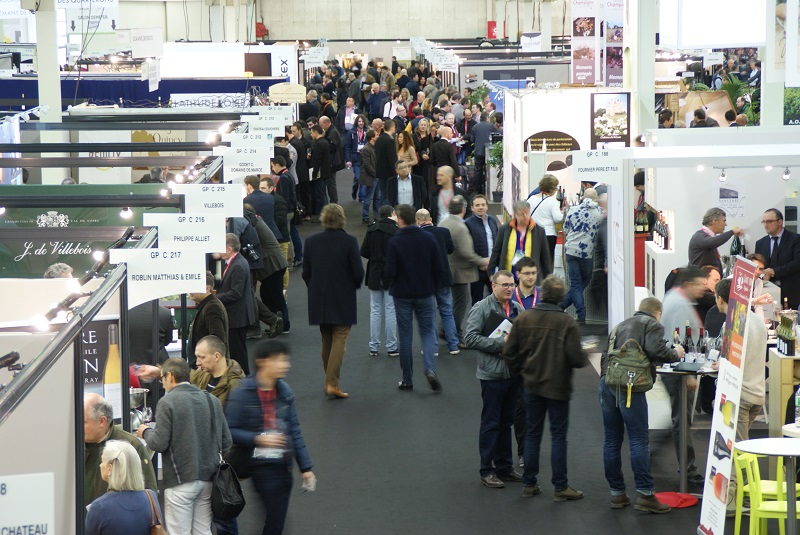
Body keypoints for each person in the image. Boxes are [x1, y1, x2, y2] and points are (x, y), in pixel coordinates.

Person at [503, 275, 588, 500]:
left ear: (543, 293)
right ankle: (560, 487)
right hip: (558, 388)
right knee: (558, 436)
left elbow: (509, 352)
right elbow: (577, 360)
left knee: (532, 434)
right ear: (561, 297)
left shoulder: (524, 318)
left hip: (531, 385)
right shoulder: (567, 323)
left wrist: (522, 372)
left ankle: (529, 483)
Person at [599, 298, 682, 513]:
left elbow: (605, 357)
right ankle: (645, 494)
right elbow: (658, 351)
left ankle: (617, 494)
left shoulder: (620, 325)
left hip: (607, 384)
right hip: (630, 387)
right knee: (638, 440)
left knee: (611, 440)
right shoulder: (652, 324)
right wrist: (676, 353)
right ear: (657, 312)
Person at [225, 339, 315, 535]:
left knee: (276, 522)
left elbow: (294, 429)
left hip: (283, 467)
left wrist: (306, 467)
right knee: (275, 521)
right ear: (263, 362)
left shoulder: (285, 392)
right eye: (281, 360)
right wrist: (258, 438)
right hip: (259, 467)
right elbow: (229, 430)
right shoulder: (243, 393)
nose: (286, 365)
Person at [136, 358, 231, 535]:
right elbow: (227, 442)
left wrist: (146, 432)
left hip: (179, 480)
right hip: (209, 479)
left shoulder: (168, 402)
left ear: (170, 376)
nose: (163, 383)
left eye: (162, 378)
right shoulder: (212, 400)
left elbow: (158, 443)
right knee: (203, 531)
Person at [711, 277, 767, 514]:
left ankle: (745, 500)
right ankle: (741, 497)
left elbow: (728, 360)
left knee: (740, 453)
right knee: (741, 449)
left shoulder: (731, 326)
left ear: (721, 299)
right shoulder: (758, 321)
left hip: (740, 396)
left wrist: (718, 364)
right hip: (757, 394)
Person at [464, 270, 524, 489]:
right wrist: (501, 345)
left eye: (512, 285)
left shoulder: (517, 308)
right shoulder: (481, 308)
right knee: (491, 423)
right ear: (494, 286)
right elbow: (470, 337)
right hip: (492, 375)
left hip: (513, 374)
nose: (509, 288)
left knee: (506, 423)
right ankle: (486, 470)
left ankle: (504, 467)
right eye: (505, 285)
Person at [302, 204, 364, 399]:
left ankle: (330, 382)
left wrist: (314, 287)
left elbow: (305, 273)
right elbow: (358, 272)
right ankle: (332, 384)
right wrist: (352, 285)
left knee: (326, 340)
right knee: (340, 338)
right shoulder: (349, 241)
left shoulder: (311, 242)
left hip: (318, 298)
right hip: (343, 297)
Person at [385, 204, 447, 391]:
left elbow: (390, 271)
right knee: (428, 332)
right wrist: (433, 286)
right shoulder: (428, 238)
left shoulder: (395, 242)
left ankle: (407, 379)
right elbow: (439, 266)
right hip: (425, 293)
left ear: (401, 219)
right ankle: (429, 369)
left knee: (405, 336)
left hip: (402, 294)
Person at [659, 265, 707, 487]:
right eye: (700, 284)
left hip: (678, 370)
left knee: (681, 418)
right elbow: (681, 343)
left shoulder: (675, 298)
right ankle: (688, 470)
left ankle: (686, 466)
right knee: (682, 420)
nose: (703, 289)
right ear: (688, 285)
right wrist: (688, 374)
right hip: (679, 372)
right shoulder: (679, 305)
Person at [84, 394, 157, 506]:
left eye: (84, 422)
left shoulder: (130, 446)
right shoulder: (71, 446)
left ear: (102, 421)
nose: (77, 426)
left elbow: (148, 492)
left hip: (114, 520)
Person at [439, 195, 489, 343]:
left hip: (446, 270)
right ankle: (455, 334)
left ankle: (447, 330)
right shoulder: (461, 227)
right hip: (459, 272)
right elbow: (466, 252)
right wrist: (482, 261)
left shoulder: (443, 223)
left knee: (451, 303)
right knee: (460, 304)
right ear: (464, 208)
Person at [85, 440, 162, 535]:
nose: (100, 465)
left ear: (110, 468)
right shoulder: (151, 497)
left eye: (102, 461)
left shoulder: (99, 508)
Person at [417, 208, 461, 355]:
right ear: (430, 219)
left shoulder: (417, 235)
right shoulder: (443, 232)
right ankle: (453, 345)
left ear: (418, 221)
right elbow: (450, 249)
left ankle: (432, 347)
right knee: (446, 311)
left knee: (428, 313)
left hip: (426, 280)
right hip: (443, 277)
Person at [561, 188, 604, 324]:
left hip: (570, 251)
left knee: (576, 285)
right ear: (596, 199)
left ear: (583, 197)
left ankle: (560, 307)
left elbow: (565, 229)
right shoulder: (600, 213)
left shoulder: (573, 210)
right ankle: (581, 315)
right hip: (586, 253)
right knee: (583, 281)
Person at [360, 205, 399, 358]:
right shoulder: (396, 231)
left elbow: (363, 251)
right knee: (390, 310)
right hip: (391, 273)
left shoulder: (371, 229)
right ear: (392, 214)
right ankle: (391, 346)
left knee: (375, 310)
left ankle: (374, 346)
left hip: (375, 272)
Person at [216, 233, 256, 375]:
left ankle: (244, 378)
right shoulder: (237, 261)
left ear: (228, 249)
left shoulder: (238, 265)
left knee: (238, 353)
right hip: (237, 315)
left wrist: (214, 297)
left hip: (237, 317)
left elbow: (235, 293)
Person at [489, 200, 551, 282]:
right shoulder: (504, 229)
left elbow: (545, 256)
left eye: (527, 213)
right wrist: (491, 272)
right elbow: (496, 251)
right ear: (515, 215)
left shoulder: (539, 231)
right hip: (509, 275)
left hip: (530, 278)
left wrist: (548, 277)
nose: (525, 216)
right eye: (521, 214)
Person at [755, 208, 800, 309]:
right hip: (767, 293)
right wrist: (763, 274)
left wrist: (774, 271)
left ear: (779, 222)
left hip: (790, 291)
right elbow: (758, 266)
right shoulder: (760, 243)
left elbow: (797, 263)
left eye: (769, 221)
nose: (766, 225)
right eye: (764, 222)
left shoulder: (795, 239)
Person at [190, 335, 245, 407]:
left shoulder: (235, 384)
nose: (198, 363)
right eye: (197, 357)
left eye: (202, 357)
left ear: (216, 356)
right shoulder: (203, 373)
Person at [687, 207, 743, 273]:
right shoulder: (699, 236)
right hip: (702, 281)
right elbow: (712, 242)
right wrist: (732, 232)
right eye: (724, 221)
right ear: (714, 221)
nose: (726, 224)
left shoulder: (706, 237)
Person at [466, 194, 499, 304]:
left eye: (483, 205)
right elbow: (468, 248)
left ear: (487, 206)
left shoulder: (492, 221)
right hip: (477, 269)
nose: (480, 207)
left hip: (493, 267)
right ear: (472, 208)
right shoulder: (467, 224)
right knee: (477, 300)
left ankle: (493, 321)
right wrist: (480, 262)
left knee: (495, 298)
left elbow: (497, 242)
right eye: (477, 205)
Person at [188, 271, 229, 358]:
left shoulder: (212, 307)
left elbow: (217, 340)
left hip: (209, 367)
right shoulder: (207, 305)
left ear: (207, 288)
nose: (190, 291)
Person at [528, 174, 564, 264]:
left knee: (534, 260)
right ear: (552, 189)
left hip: (533, 233)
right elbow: (558, 219)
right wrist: (564, 214)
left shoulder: (531, 199)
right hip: (548, 234)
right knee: (547, 262)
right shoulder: (553, 202)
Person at [344, 113, 369, 202]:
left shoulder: (367, 131)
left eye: (362, 121)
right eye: (359, 121)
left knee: (363, 178)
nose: (361, 123)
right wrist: (348, 160)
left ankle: (361, 197)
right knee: (357, 178)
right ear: (356, 122)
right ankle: (354, 190)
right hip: (355, 158)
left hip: (365, 158)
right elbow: (347, 147)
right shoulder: (351, 132)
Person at [309, 125, 331, 217]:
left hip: (320, 173)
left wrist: (314, 173)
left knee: (320, 194)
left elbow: (317, 160)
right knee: (323, 193)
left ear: (315, 132)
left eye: (311, 132)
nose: (311, 134)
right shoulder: (325, 142)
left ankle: (323, 214)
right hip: (325, 171)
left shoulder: (318, 144)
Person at [359, 128, 380, 223]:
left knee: (377, 197)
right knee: (368, 197)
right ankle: (365, 216)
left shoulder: (376, 146)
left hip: (377, 176)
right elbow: (367, 165)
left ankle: (376, 215)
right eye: (376, 135)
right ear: (372, 138)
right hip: (371, 176)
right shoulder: (366, 149)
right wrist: (375, 174)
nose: (378, 136)